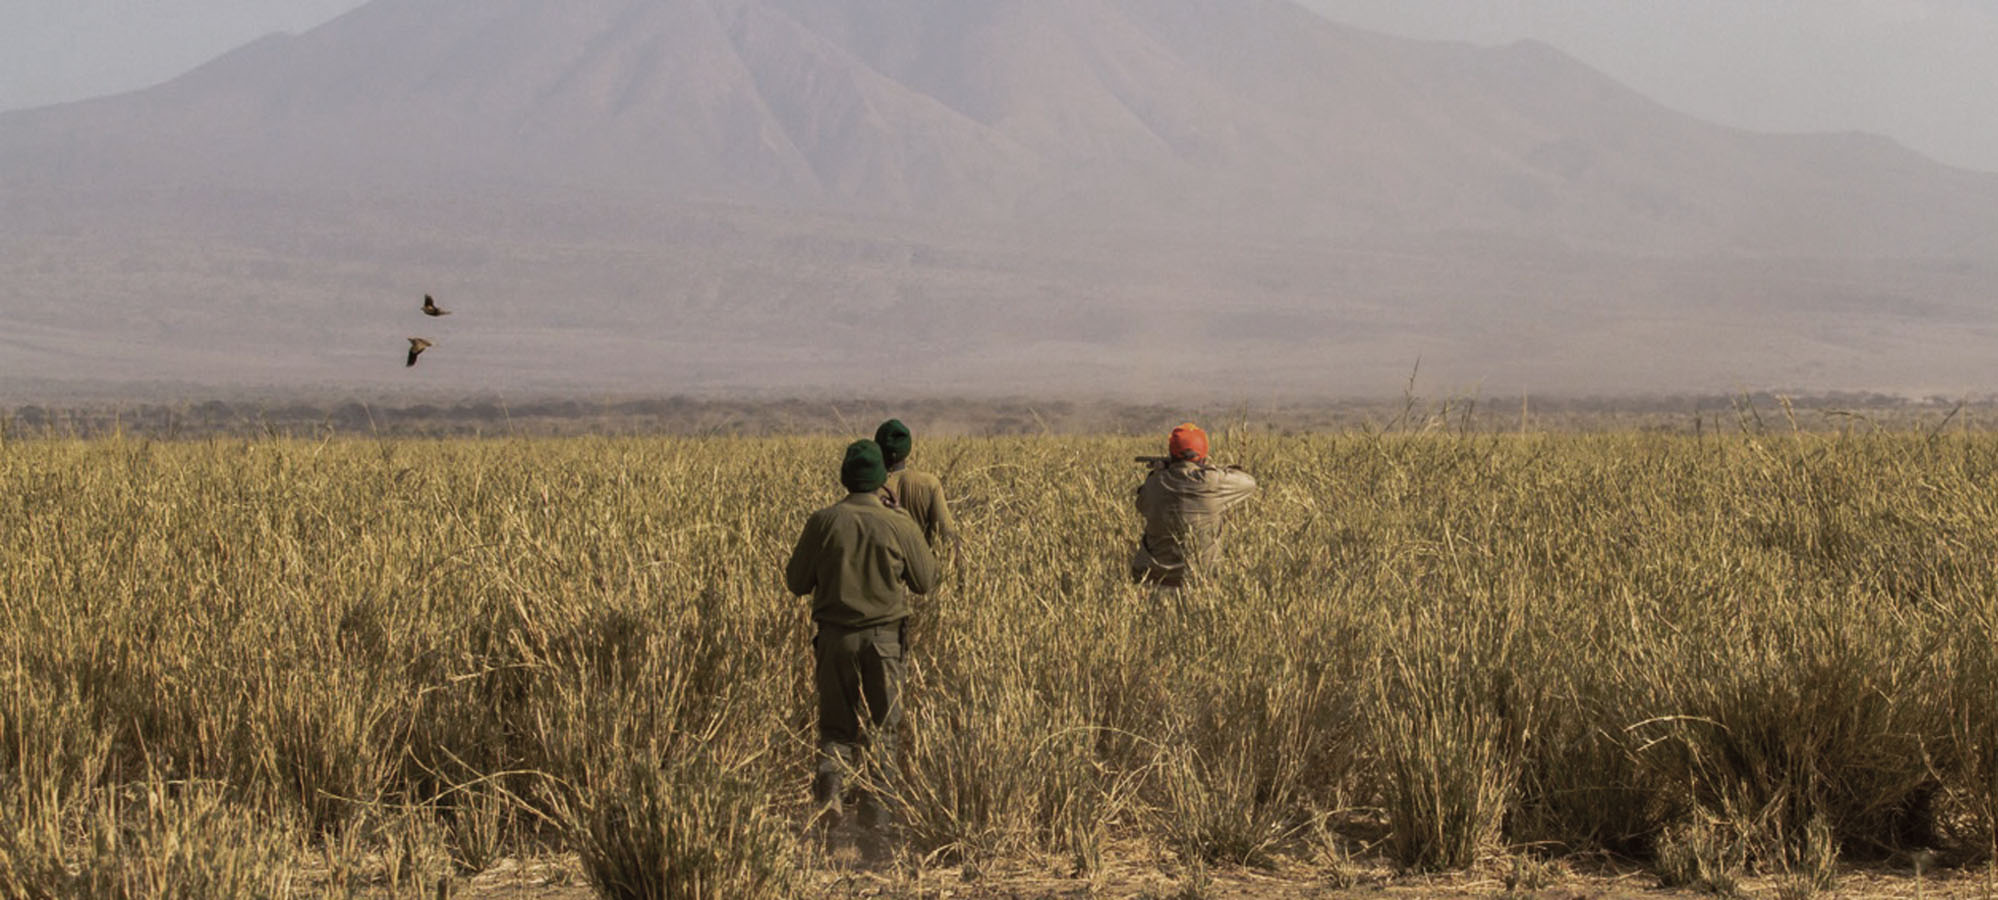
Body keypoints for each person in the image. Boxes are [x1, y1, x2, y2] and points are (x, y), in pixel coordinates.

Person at [786, 439, 940, 832]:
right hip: (885, 641)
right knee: (884, 730)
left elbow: (796, 582)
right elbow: (925, 581)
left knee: (837, 728)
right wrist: (904, 523)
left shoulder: (822, 521)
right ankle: (877, 816)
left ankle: (831, 800)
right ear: (880, 481)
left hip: (835, 640)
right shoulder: (897, 522)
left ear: (845, 477)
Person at [1131, 422, 1258, 588]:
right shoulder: (1213, 481)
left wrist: (1159, 472)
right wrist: (1209, 471)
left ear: (1172, 453)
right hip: (1201, 581)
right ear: (1203, 454)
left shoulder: (1155, 483)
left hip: (1154, 579)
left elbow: (1141, 505)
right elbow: (1249, 483)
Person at [874, 419, 958, 550]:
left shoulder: (871, 488)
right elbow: (948, 534)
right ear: (907, 449)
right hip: (922, 566)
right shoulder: (929, 483)